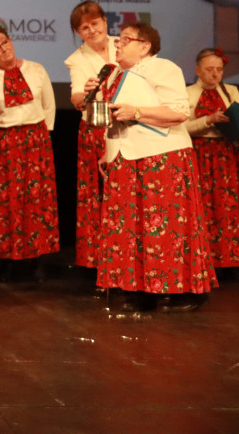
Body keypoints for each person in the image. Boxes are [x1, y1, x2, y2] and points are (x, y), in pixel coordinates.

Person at [86, 22, 217, 312]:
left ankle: (187, 292)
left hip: (161, 157)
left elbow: (179, 111)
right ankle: (141, 289)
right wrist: (109, 152)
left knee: (165, 228)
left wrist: (139, 111)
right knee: (133, 229)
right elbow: (113, 117)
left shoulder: (162, 68)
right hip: (128, 158)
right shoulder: (117, 75)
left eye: (124, 40)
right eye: (117, 41)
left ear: (145, 46)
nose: (117, 45)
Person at [0, 23, 59, 280]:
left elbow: (49, 105)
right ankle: (7, 257)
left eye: (5, 42)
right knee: (7, 201)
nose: (3, 49)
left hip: (35, 141)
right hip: (4, 141)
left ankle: (35, 257)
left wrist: (41, 137)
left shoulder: (36, 69)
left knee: (35, 199)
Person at [185, 47, 239, 279]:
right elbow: (181, 127)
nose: (215, 75)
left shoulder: (230, 90)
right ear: (197, 70)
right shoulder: (188, 93)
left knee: (227, 209)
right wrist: (208, 119)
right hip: (200, 154)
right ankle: (204, 263)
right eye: (209, 70)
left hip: (226, 156)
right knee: (203, 208)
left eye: (219, 69)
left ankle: (230, 262)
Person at [63, 1, 118, 273]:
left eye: (95, 23)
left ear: (105, 22)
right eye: (84, 27)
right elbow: (75, 98)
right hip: (95, 130)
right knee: (97, 195)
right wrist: (85, 94)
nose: (92, 30)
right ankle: (100, 262)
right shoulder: (78, 59)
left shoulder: (124, 46)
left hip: (127, 126)